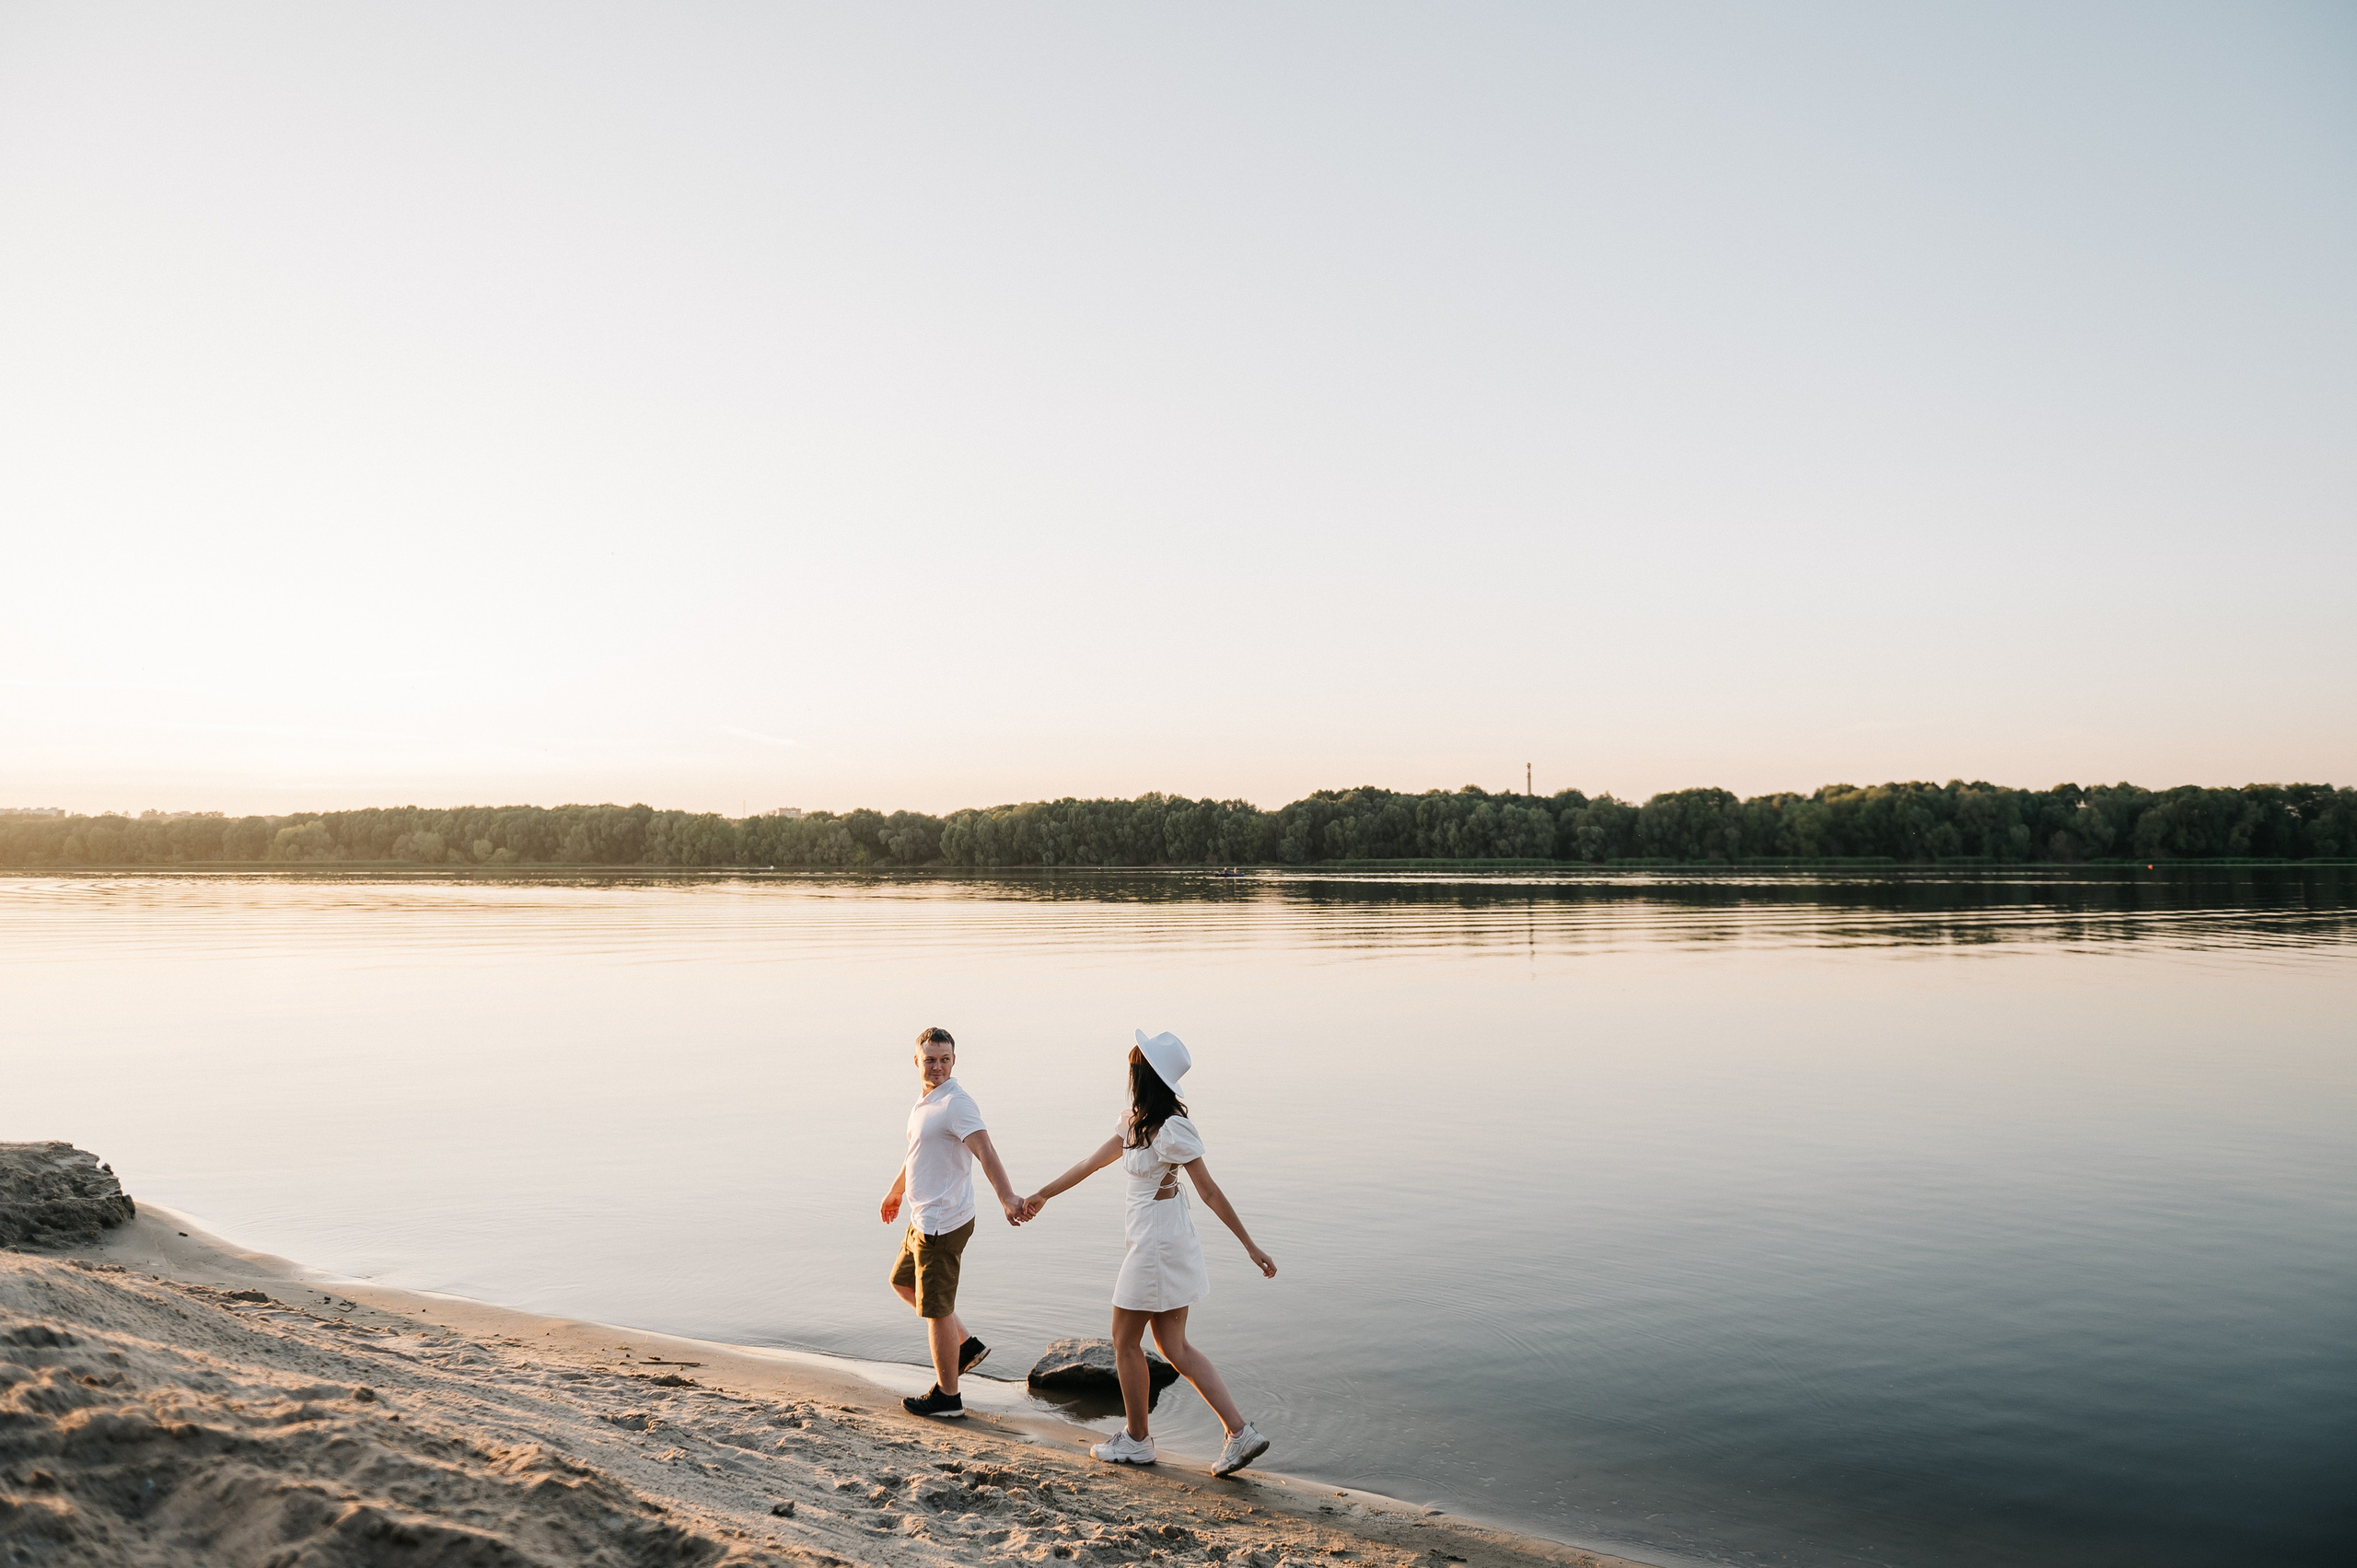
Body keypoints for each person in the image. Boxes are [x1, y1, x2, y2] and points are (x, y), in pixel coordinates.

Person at [1021, 1028, 1276, 1476]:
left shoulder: (1173, 1128)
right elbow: (1090, 1163)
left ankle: (1138, 1439)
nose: (1129, 1074)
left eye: (1134, 1067)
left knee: (1124, 1338)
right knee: (1171, 1344)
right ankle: (1239, 1433)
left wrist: (1249, 1246)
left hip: (1159, 1246)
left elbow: (1210, 1191)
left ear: (1146, 1076)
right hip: (1156, 1241)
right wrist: (1042, 1195)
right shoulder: (1135, 1122)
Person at [883, 1026, 1028, 1419]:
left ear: (954, 1060)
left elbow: (985, 1150)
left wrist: (1008, 1198)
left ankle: (949, 1397)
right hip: (922, 1217)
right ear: (917, 1061)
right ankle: (965, 1346)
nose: (938, 1066)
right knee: (902, 1282)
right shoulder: (926, 1100)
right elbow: (916, 1152)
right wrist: (897, 1191)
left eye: (945, 1059)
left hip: (941, 1224)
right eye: (930, 1060)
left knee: (936, 1310)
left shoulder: (956, 1104)